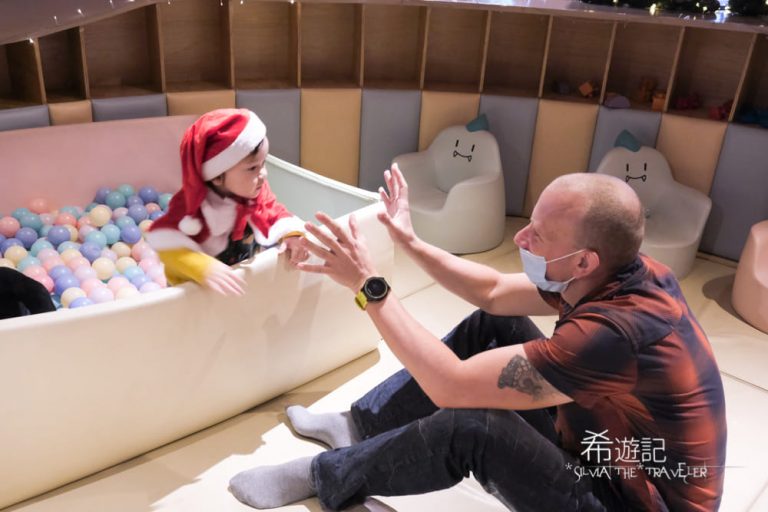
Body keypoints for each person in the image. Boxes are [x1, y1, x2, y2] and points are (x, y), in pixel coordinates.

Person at [228, 167, 727, 511]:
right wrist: (408, 239)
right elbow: (493, 292)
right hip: (608, 452)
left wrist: (368, 286)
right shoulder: (619, 272)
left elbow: (450, 386)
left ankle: (326, 475)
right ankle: (359, 427)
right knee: (494, 324)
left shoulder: (614, 334)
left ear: (583, 261)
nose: (521, 239)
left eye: (539, 235)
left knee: (473, 426)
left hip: (629, 499)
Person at [146, 108, 308, 296]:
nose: (263, 174)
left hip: (241, 283)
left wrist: (291, 235)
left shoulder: (255, 191)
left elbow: (273, 212)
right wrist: (203, 267)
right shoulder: (191, 208)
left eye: (263, 164)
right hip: (197, 295)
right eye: (253, 168)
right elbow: (168, 246)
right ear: (217, 176)